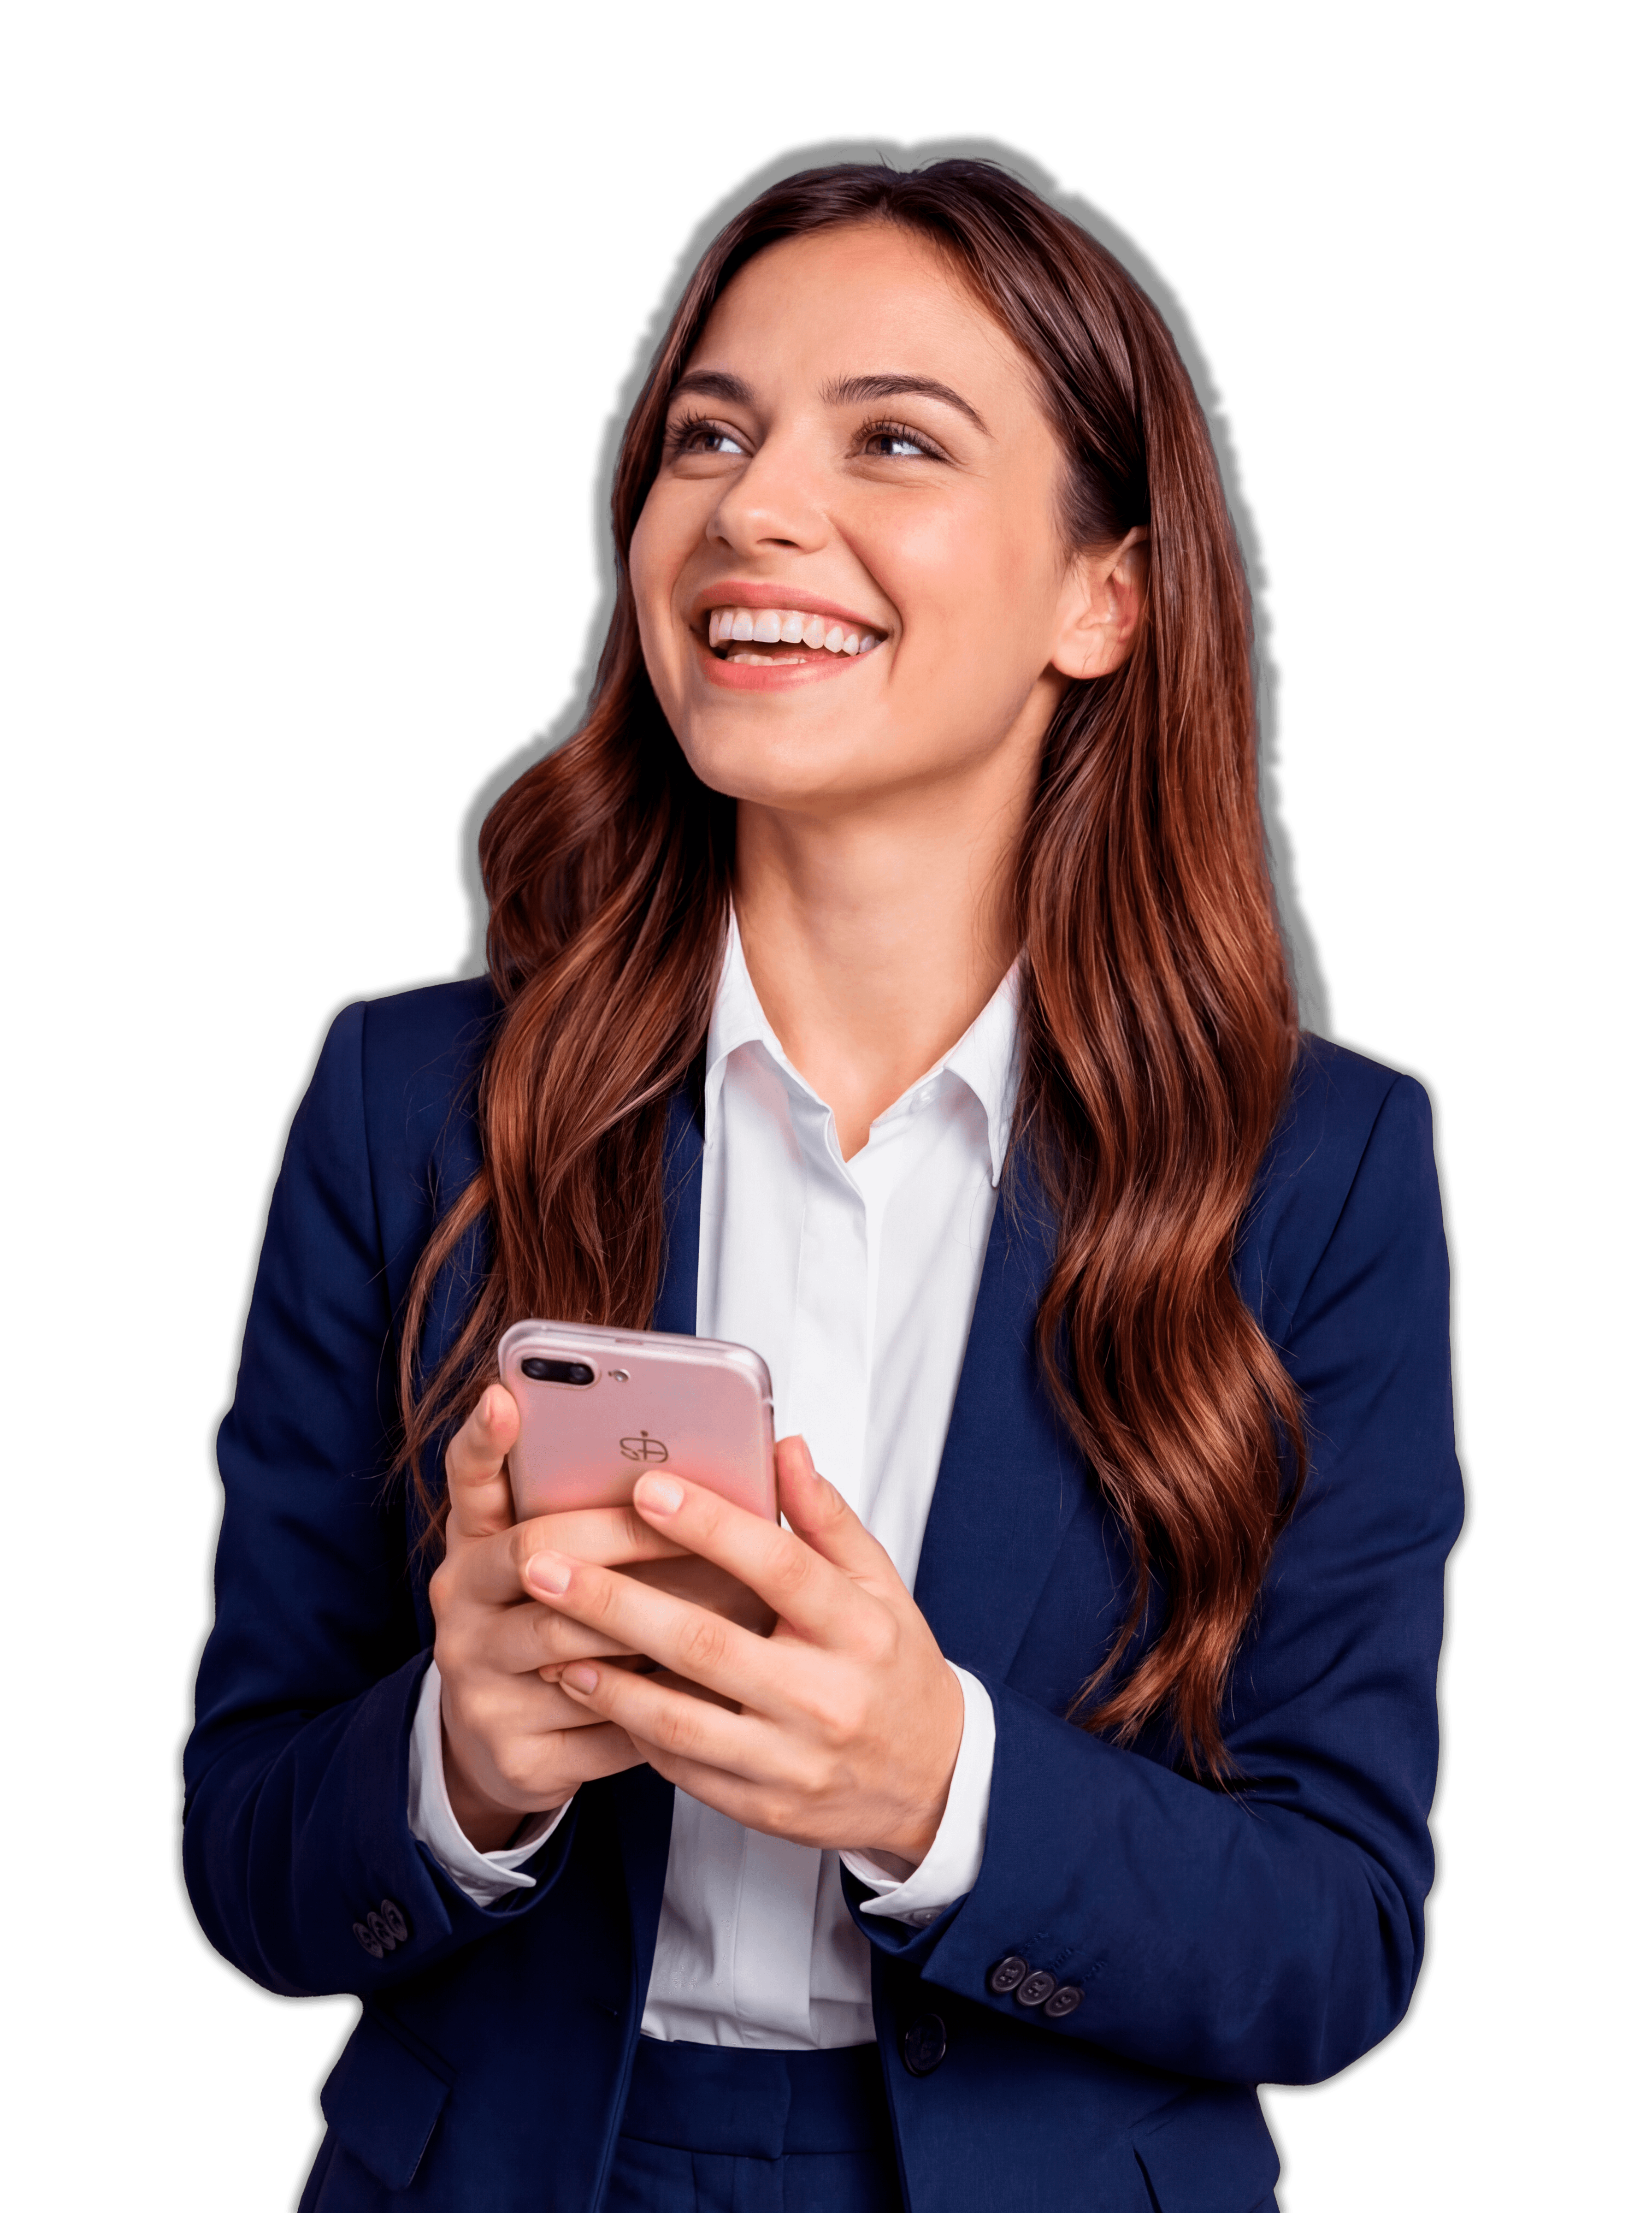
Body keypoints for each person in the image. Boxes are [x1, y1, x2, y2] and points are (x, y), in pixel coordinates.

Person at [179, 138, 1464, 2213]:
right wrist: (463, 1769)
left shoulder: (1312, 1172)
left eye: (892, 439)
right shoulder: (400, 1103)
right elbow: (241, 1861)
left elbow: (1339, 1945)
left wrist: (932, 1786)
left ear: (1101, 594)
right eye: (707, 430)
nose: (751, 510)